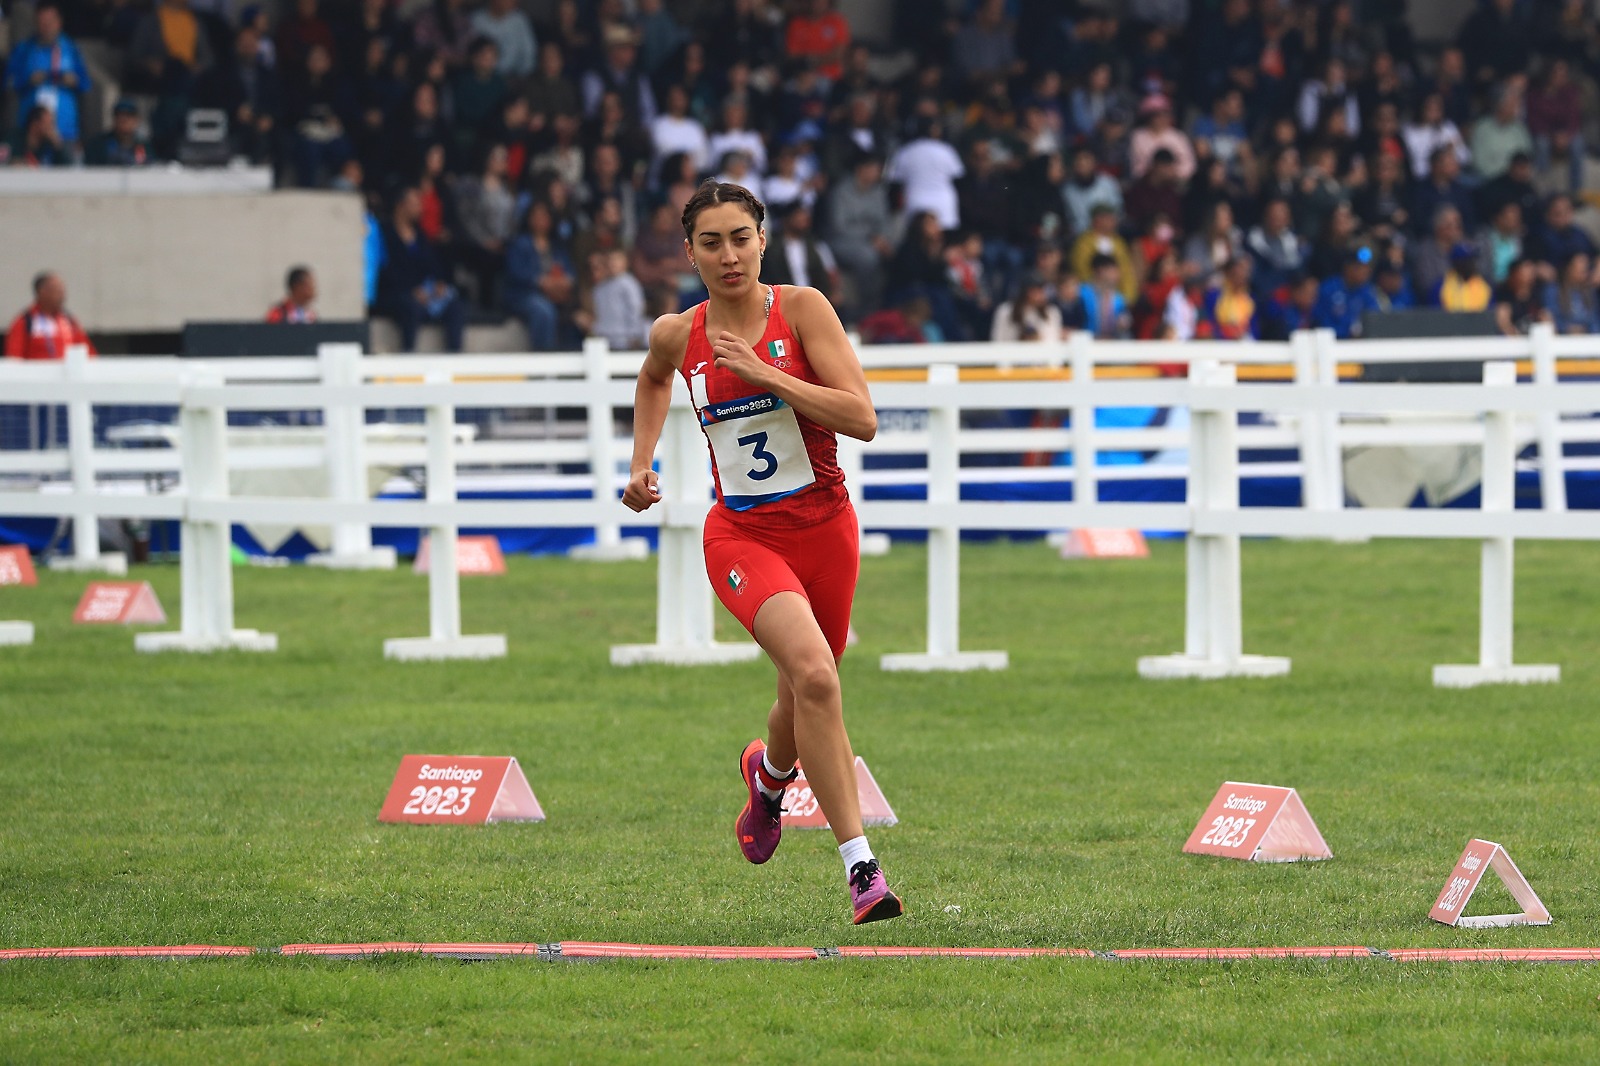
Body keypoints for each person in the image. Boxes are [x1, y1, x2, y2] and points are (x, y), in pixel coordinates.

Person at [622, 180, 900, 926]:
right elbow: (652, 381)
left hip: (828, 530)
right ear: (689, 253)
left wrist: (766, 374)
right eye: (710, 242)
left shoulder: (804, 311)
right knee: (814, 675)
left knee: (800, 693)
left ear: (762, 240)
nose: (728, 254)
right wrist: (641, 462)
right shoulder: (677, 334)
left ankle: (768, 777)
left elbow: (863, 418)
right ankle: (861, 870)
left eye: (740, 237)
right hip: (744, 537)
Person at [6, 3, 92, 154]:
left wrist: (73, 80)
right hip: (31, 132)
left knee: (67, 171)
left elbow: (85, 84)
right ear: (35, 23)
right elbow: (8, 83)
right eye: (42, 22)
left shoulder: (71, 49)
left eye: (50, 22)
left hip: (65, 131)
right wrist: (28, 80)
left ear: (59, 22)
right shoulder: (24, 49)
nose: (46, 27)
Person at [5, 272, 96, 360]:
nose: (62, 295)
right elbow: (14, 357)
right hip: (37, 374)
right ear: (42, 292)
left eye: (62, 290)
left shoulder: (69, 321)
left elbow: (88, 353)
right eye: (57, 290)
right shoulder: (26, 322)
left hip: (68, 374)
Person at [85, 99, 151, 167]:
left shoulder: (144, 145)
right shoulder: (99, 144)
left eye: (129, 115)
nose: (124, 120)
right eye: (119, 115)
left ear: (136, 120)